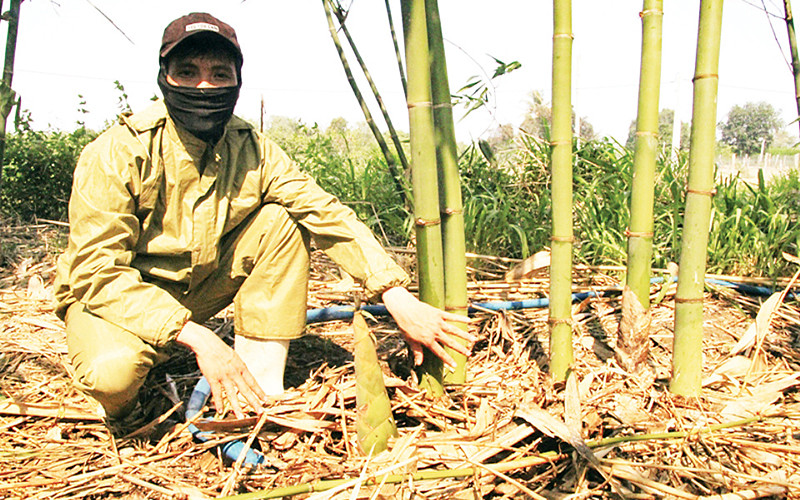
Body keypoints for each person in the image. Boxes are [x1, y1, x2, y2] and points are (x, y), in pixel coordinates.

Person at [54, 12, 474, 423]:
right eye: (188, 72)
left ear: (237, 81)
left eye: (220, 74)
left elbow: (322, 210)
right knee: (113, 375)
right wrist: (202, 340)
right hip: (114, 299)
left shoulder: (251, 146)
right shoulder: (118, 152)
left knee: (282, 221)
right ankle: (125, 414)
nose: (205, 85)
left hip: (194, 289)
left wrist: (393, 291)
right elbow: (96, 273)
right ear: (165, 78)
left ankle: (257, 389)